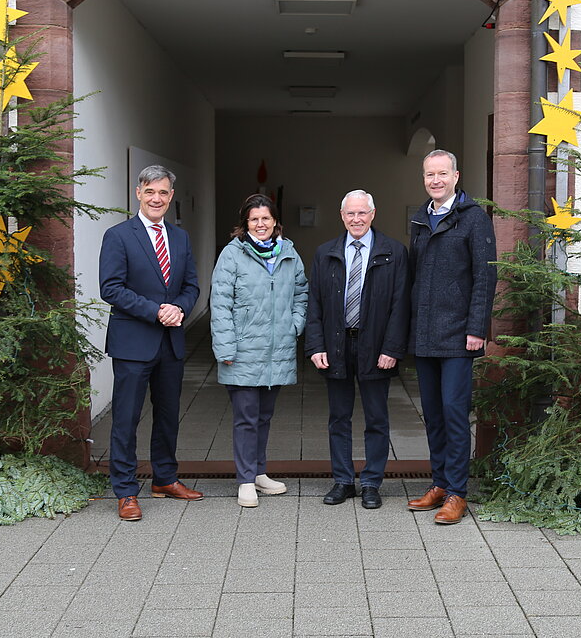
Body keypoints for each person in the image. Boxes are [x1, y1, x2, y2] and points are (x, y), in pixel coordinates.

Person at [99, 164, 202, 521]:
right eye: (150, 192)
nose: (157, 198)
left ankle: (165, 478)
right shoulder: (119, 235)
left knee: (169, 415)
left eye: (163, 192)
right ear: (138, 193)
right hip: (133, 342)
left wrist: (180, 309)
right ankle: (126, 490)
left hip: (170, 341)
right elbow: (110, 288)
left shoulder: (180, 238)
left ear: (171, 197)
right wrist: (156, 311)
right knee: (126, 418)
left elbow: (191, 286)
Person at [407, 150, 497, 524]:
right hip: (426, 335)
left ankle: (458, 493)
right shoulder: (419, 219)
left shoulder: (474, 219)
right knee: (433, 415)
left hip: (460, 337)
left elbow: (485, 277)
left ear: (456, 176)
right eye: (430, 175)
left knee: (455, 414)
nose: (436, 180)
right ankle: (440, 484)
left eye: (442, 174)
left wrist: (477, 328)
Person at [306, 190, 409, 510]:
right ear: (342, 216)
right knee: (339, 417)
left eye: (362, 213)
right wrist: (315, 345)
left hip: (376, 346)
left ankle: (371, 483)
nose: (357, 219)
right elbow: (315, 304)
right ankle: (342, 480)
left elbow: (400, 305)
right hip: (336, 344)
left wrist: (392, 347)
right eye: (350, 214)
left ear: (373, 214)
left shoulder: (394, 252)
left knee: (377, 418)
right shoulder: (326, 253)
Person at [210, 194, 307, 508]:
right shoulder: (232, 255)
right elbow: (220, 303)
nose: (261, 224)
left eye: (266, 218)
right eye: (255, 219)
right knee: (246, 418)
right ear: (245, 223)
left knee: (264, 416)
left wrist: (294, 325)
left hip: (276, 350)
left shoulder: (289, 253)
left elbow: (302, 292)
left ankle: (260, 472)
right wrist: (224, 345)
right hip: (242, 351)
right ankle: (245, 480)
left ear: (275, 221)